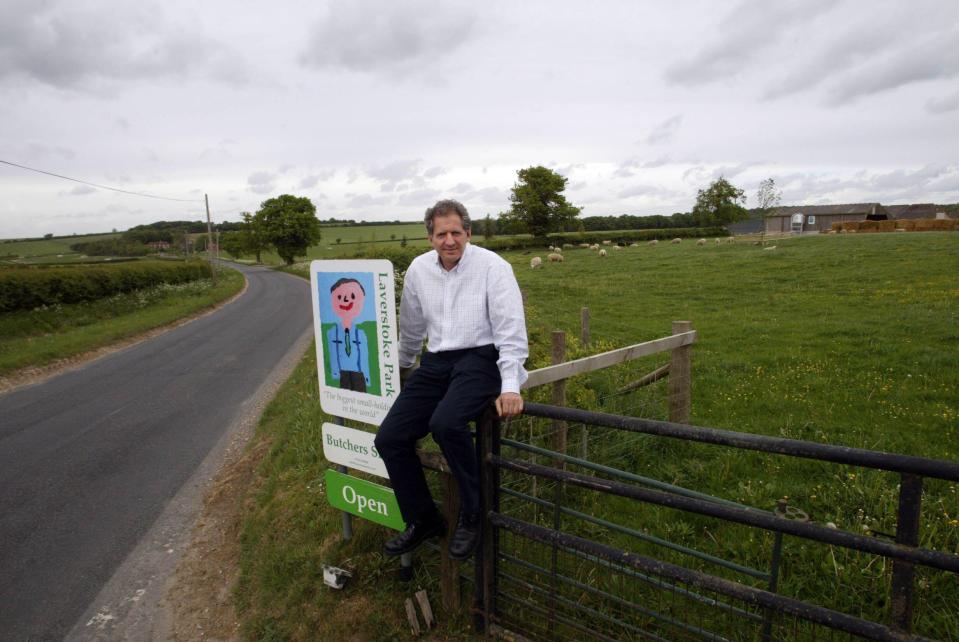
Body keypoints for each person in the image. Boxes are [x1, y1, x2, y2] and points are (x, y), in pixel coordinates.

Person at [374, 199, 528, 561]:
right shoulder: (418, 269)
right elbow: (411, 328)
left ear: (468, 233)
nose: (449, 240)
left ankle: (474, 513)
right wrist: (398, 366)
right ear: (430, 238)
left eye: (456, 232)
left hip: (480, 358)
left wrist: (510, 386)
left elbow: (510, 332)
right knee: (390, 438)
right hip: (436, 362)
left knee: (446, 423)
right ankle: (423, 518)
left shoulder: (493, 267)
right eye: (441, 233)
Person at [326, 277, 370, 392]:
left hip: (358, 372)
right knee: (345, 396)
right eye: (339, 297)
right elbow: (332, 353)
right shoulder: (332, 332)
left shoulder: (361, 334)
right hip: (343, 372)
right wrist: (335, 372)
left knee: (361, 397)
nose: (345, 300)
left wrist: (366, 376)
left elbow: (364, 355)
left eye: (353, 296)